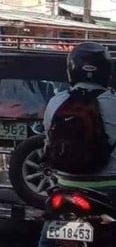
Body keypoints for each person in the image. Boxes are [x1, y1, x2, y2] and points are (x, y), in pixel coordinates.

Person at [37, 42, 116, 247]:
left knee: (47, 238)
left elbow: (48, 140)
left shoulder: (56, 102)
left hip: (66, 187)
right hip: (109, 189)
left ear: (72, 68)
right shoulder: (114, 102)